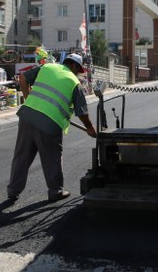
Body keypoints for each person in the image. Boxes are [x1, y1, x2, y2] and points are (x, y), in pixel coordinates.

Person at [7, 53, 97, 202]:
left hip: (27, 116)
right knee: (52, 158)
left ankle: (13, 190)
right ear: (74, 66)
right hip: (50, 123)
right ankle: (55, 191)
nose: (77, 73)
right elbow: (82, 112)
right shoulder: (74, 82)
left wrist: (28, 98)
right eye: (78, 69)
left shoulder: (47, 67)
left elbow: (22, 78)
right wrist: (90, 129)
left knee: (21, 155)